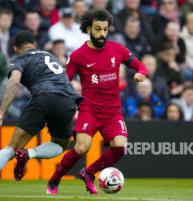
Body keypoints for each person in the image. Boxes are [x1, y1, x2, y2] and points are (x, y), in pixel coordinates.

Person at [0, 30, 82, 196]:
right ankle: (28, 154)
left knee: (11, 148)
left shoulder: (19, 58)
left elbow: (14, 82)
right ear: (34, 45)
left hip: (42, 98)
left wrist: (1, 113)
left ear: (15, 48)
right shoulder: (50, 55)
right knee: (60, 146)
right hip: (67, 100)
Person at [46, 9, 147, 194]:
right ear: (88, 29)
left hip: (113, 111)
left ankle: (89, 173)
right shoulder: (77, 55)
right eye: (98, 29)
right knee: (82, 147)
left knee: (120, 148)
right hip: (89, 109)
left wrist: (141, 73)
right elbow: (62, 83)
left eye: (105, 29)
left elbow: (140, 65)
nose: (102, 34)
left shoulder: (117, 49)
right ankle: (55, 179)